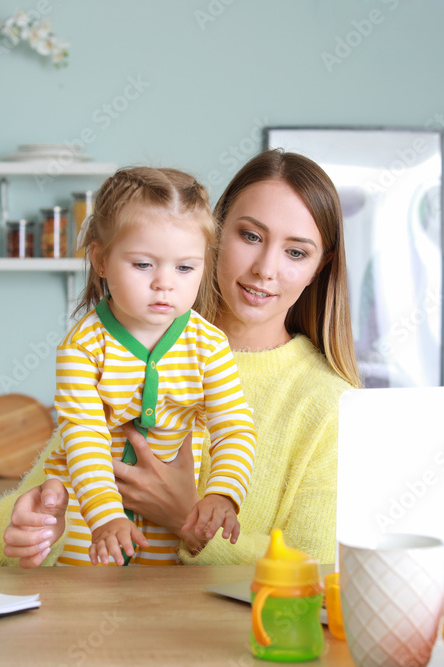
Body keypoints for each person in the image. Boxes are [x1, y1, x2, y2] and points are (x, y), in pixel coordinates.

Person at [0, 149, 360, 568]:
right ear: (214, 234)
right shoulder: (116, 346)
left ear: (321, 266)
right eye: (250, 236)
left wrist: (187, 522)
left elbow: (320, 576)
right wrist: (27, 532)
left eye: (296, 252)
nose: (265, 268)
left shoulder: (333, 406)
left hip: (217, 636)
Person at [44, 166, 257, 567]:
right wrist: (106, 517)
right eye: (143, 265)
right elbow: (83, 436)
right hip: (88, 518)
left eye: (184, 268)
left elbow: (235, 426)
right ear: (101, 260)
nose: (165, 283)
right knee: (84, 606)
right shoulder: (82, 348)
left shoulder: (208, 346)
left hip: (165, 531)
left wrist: (223, 494)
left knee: (162, 615)